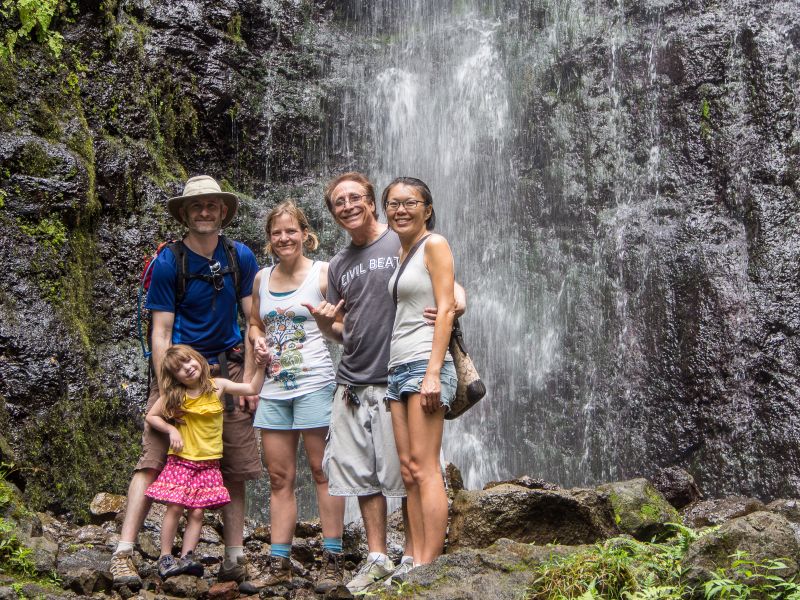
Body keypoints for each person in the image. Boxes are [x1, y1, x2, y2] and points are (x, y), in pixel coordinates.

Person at [305, 172, 465, 592]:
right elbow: (345, 327)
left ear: (371, 201)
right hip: (369, 376)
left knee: (415, 471)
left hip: (413, 369)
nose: (348, 205)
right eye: (339, 201)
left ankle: (419, 558)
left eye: (355, 197)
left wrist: (455, 306)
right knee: (384, 474)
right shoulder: (339, 265)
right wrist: (326, 327)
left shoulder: (408, 240)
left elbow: (451, 292)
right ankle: (385, 558)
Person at [110, 175, 263, 590]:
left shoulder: (240, 256)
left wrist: (250, 380)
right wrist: (166, 389)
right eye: (196, 206)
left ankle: (233, 559)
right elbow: (161, 332)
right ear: (184, 213)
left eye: (212, 205)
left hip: (225, 367)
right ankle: (124, 552)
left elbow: (253, 322)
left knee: (232, 461)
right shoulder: (168, 262)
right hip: (179, 370)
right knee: (153, 457)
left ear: (223, 211)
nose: (205, 211)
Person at [245, 200, 345, 594]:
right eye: (276, 233)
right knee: (279, 477)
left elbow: (344, 320)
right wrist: (257, 343)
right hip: (272, 389)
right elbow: (254, 322)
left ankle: (332, 559)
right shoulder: (260, 278)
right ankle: (279, 561)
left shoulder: (323, 273)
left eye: (291, 231)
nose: (284, 238)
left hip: (315, 384)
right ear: (269, 240)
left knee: (324, 473)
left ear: (305, 234)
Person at [143, 344, 269, 579]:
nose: (187, 369)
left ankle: (188, 556)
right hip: (182, 460)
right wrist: (171, 430)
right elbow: (151, 416)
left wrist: (260, 366)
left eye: (189, 361)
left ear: (199, 360)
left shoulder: (217, 386)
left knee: (198, 512)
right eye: (179, 368)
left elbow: (251, 387)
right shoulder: (175, 394)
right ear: (174, 376)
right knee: (175, 507)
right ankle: (165, 557)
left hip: (208, 463)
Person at [383, 177, 456, 566]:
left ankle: (430, 564)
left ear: (427, 208)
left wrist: (432, 372)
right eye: (393, 204)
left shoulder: (435, 244)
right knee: (408, 470)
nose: (401, 210)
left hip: (424, 365)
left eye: (410, 202)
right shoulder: (402, 253)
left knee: (426, 468)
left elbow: (446, 307)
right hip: (397, 368)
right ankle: (412, 557)